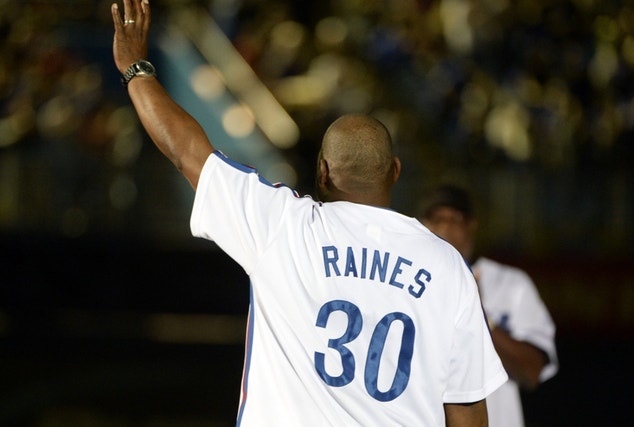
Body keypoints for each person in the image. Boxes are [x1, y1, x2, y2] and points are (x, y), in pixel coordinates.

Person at [110, 1, 507, 425]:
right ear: (395, 171)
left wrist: (136, 68)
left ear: (322, 171)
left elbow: (187, 150)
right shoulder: (447, 266)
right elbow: (467, 412)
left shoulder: (282, 225)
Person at [417, 184, 559, 427]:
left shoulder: (510, 284)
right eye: (436, 218)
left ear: (471, 225)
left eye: (454, 218)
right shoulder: (405, 282)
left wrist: (479, 316)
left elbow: (531, 371)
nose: (445, 227)